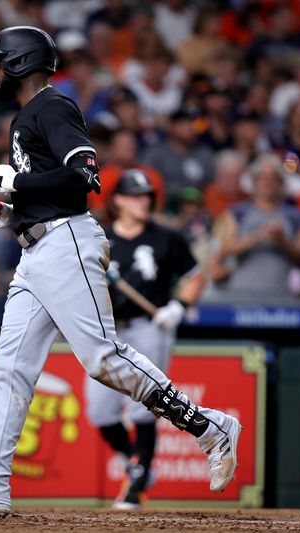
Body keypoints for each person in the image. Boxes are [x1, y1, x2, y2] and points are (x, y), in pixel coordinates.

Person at [0, 26, 240, 518]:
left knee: (101, 359)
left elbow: (86, 176)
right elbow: (50, 189)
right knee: (9, 369)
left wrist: (19, 181)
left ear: (19, 62)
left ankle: (209, 427)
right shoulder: (23, 117)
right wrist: (10, 209)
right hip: (36, 249)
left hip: (67, 241)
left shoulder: (53, 106)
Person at [86, 169, 207, 509]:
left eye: (148, 196)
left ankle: (136, 487)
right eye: (136, 196)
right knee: (100, 411)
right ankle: (135, 463)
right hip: (107, 329)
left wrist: (178, 306)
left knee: (145, 407)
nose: (144, 202)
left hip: (149, 325)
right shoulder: (100, 237)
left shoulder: (166, 238)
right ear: (118, 201)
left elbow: (196, 276)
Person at [215, 154, 300, 297]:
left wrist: (282, 241)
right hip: (242, 291)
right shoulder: (237, 212)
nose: (268, 183)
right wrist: (257, 236)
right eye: (263, 178)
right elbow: (227, 248)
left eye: (273, 178)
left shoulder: (294, 216)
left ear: (280, 182)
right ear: (254, 181)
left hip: (281, 291)